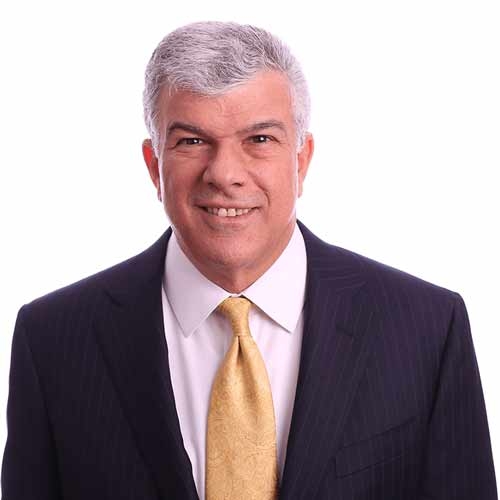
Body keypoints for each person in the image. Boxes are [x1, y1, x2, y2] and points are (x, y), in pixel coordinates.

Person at [1, 20, 497, 500]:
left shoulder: (427, 328)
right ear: (154, 166)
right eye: (192, 141)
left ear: (301, 160)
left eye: (259, 140)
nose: (224, 174)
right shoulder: (53, 339)